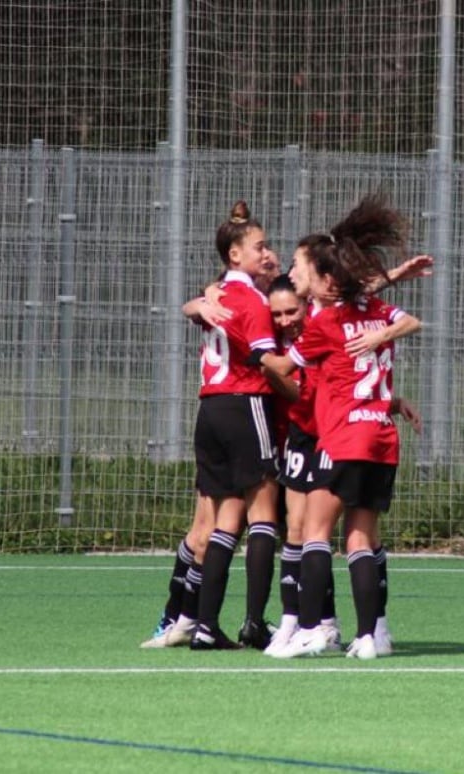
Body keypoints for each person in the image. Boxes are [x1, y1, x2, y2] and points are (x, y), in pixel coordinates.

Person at [257, 194, 423, 660]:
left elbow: (287, 367)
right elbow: (405, 317)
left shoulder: (326, 322)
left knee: (314, 531)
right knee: (361, 537)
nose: (293, 272)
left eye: (300, 265)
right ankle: (371, 636)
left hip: (343, 436)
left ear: (326, 277)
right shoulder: (375, 311)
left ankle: (315, 629)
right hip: (381, 438)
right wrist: (384, 331)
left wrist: (255, 357)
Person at [184, 201, 281, 650]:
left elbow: (195, 308)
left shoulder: (216, 295)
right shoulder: (253, 302)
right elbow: (266, 360)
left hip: (209, 410)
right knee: (263, 512)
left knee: (227, 518)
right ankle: (254, 623)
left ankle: (204, 626)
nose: (266, 253)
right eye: (259, 246)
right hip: (246, 404)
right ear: (234, 255)